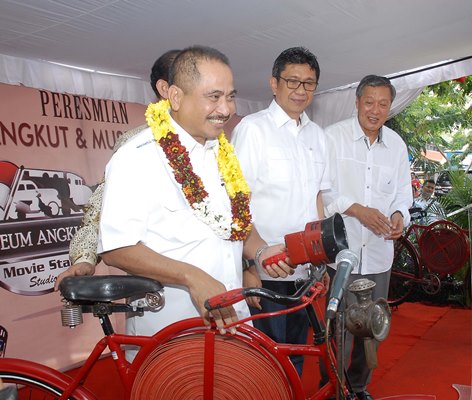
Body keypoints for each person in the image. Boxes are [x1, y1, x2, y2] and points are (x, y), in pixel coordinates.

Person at [97, 46, 292, 345]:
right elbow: (116, 249)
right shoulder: (137, 157)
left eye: (230, 96)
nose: (226, 109)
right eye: (213, 97)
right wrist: (191, 277)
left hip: (235, 321)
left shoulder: (222, 154)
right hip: (172, 332)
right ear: (175, 96)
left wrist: (262, 251)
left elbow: (231, 225)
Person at [231, 46, 331, 376]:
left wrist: (322, 258)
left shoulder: (317, 136)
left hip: (304, 272)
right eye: (292, 81)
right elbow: (235, 202)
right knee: (265, 361)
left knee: (297, 353)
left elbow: (317, 198)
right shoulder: (253, 129)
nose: (300, 90)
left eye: (309, 83)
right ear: (274, 84)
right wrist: (248, 262)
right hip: (266, 272)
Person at [56, 49, 181, 287]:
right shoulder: (137, 142)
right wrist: (85, 258)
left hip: (223, 285)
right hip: (157, 288)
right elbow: (100, 205)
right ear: (166, 90)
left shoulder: (216, 143)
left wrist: (248, 264)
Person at [322, 75, 412, 400]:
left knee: (371, 327)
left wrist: (401, 214)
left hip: (377, 255)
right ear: (357, 102)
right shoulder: (332, 138)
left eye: (383, 104)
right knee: (339, 329)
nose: (375, 110)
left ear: (390, 107)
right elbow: (323, 194)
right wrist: (357, 210)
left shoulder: (397, 146)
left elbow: (403, 195)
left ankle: (358, 386)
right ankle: (333, 388)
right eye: (369, 102)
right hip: (342, 255)